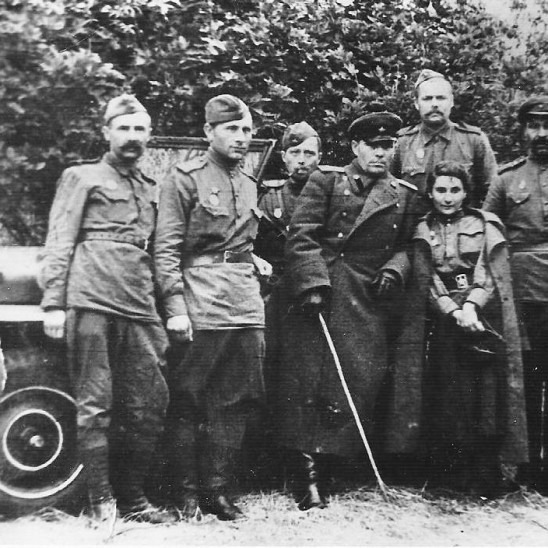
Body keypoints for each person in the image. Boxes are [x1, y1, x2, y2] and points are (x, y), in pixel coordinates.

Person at [39, 94, 174, 524]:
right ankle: (102, 503)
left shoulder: (152, 187)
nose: (132, 137)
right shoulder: (81, 177)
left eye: (139, 129)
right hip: (92, 298)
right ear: (106, 132)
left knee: (147, 404)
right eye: (124, 128)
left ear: (149, 135)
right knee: (95, 404)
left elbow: (160, 249)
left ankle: (134, 501)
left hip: (139, 302)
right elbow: (60, 239)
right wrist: (53, 302)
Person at [278, 111, 420, 510]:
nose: (380, 153)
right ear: (356, 147)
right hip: (321, 293)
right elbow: (302, 236)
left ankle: (333, 464)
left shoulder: (404, 194)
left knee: (356, 379)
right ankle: (307, 475)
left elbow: (410, 245)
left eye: (387, 146)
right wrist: (312, 284)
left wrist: (395, 269)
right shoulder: (326, 181)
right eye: (372, 146)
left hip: (369, 297)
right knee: (310, 382)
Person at [153, 94, 272, 521]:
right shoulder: (184, 178)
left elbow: (238, 242)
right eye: (232, 128)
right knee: (189, 397)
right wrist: (174, 306)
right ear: (209, 132)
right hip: (200, 299)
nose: (241, 137)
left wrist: (253, 258)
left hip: (244, 301)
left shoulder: (249, 181)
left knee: (237, 400)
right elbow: (166, 249)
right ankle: (185, 493)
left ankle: (218, 491)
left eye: (247, 129)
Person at [397, 161, 528, 496]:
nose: (448, 197)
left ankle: (486, 474)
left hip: (482, 316)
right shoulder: (422, 228)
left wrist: (471, 305)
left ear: (466, 192)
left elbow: (489, 269)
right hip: (444, 320)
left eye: (455, 190)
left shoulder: (483, 223)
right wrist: (452, 309)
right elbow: (426, 277)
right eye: (440, 189)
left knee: (486, 395)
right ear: (430, 192)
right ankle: (450, 475)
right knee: (448, 393)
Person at [483, 95, 548, 492]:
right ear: (523, 131)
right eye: (534, 125)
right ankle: (529, 465)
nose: (542, 133)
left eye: (547, 125)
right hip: (523, 294)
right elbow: (487, 231)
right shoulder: (507, 179)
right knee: (527, 377)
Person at [392, 69, 497, 210]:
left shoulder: (474, 140)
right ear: (416, 103)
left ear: (451, 101)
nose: (434, 104)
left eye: (441, 98)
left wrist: (478, 221)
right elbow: (388, 190)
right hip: (415, 222)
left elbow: (493, 193)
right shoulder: (402, 142)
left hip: (463, 222)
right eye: (427, 98)